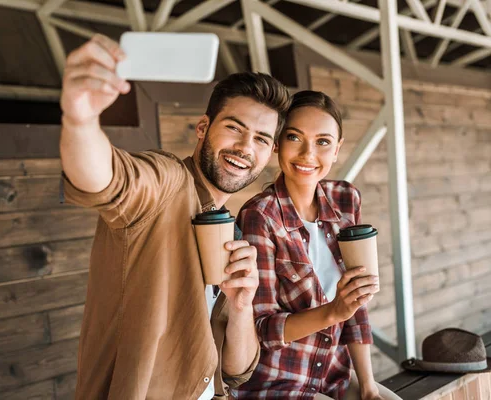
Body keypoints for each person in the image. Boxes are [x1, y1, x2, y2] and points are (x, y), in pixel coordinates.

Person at [59, 34, 291, 399]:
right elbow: (106, 178)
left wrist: (244, 306)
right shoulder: (165, 182)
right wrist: (79, 118)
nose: (246, 147)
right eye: (234, 127)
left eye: (261, 139)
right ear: (203, 128)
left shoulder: (231, 229)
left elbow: (236, 372)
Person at [234, 91, 402, 400]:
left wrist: (367, 387)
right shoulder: (260, 216)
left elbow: (357, 302)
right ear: (277, 143)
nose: (308, 154)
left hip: (332, 374)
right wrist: (333, 311)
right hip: (277, 381)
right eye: (295, 137)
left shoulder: (345, 199)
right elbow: (261, 329)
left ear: (337, 149)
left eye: (323, 142)